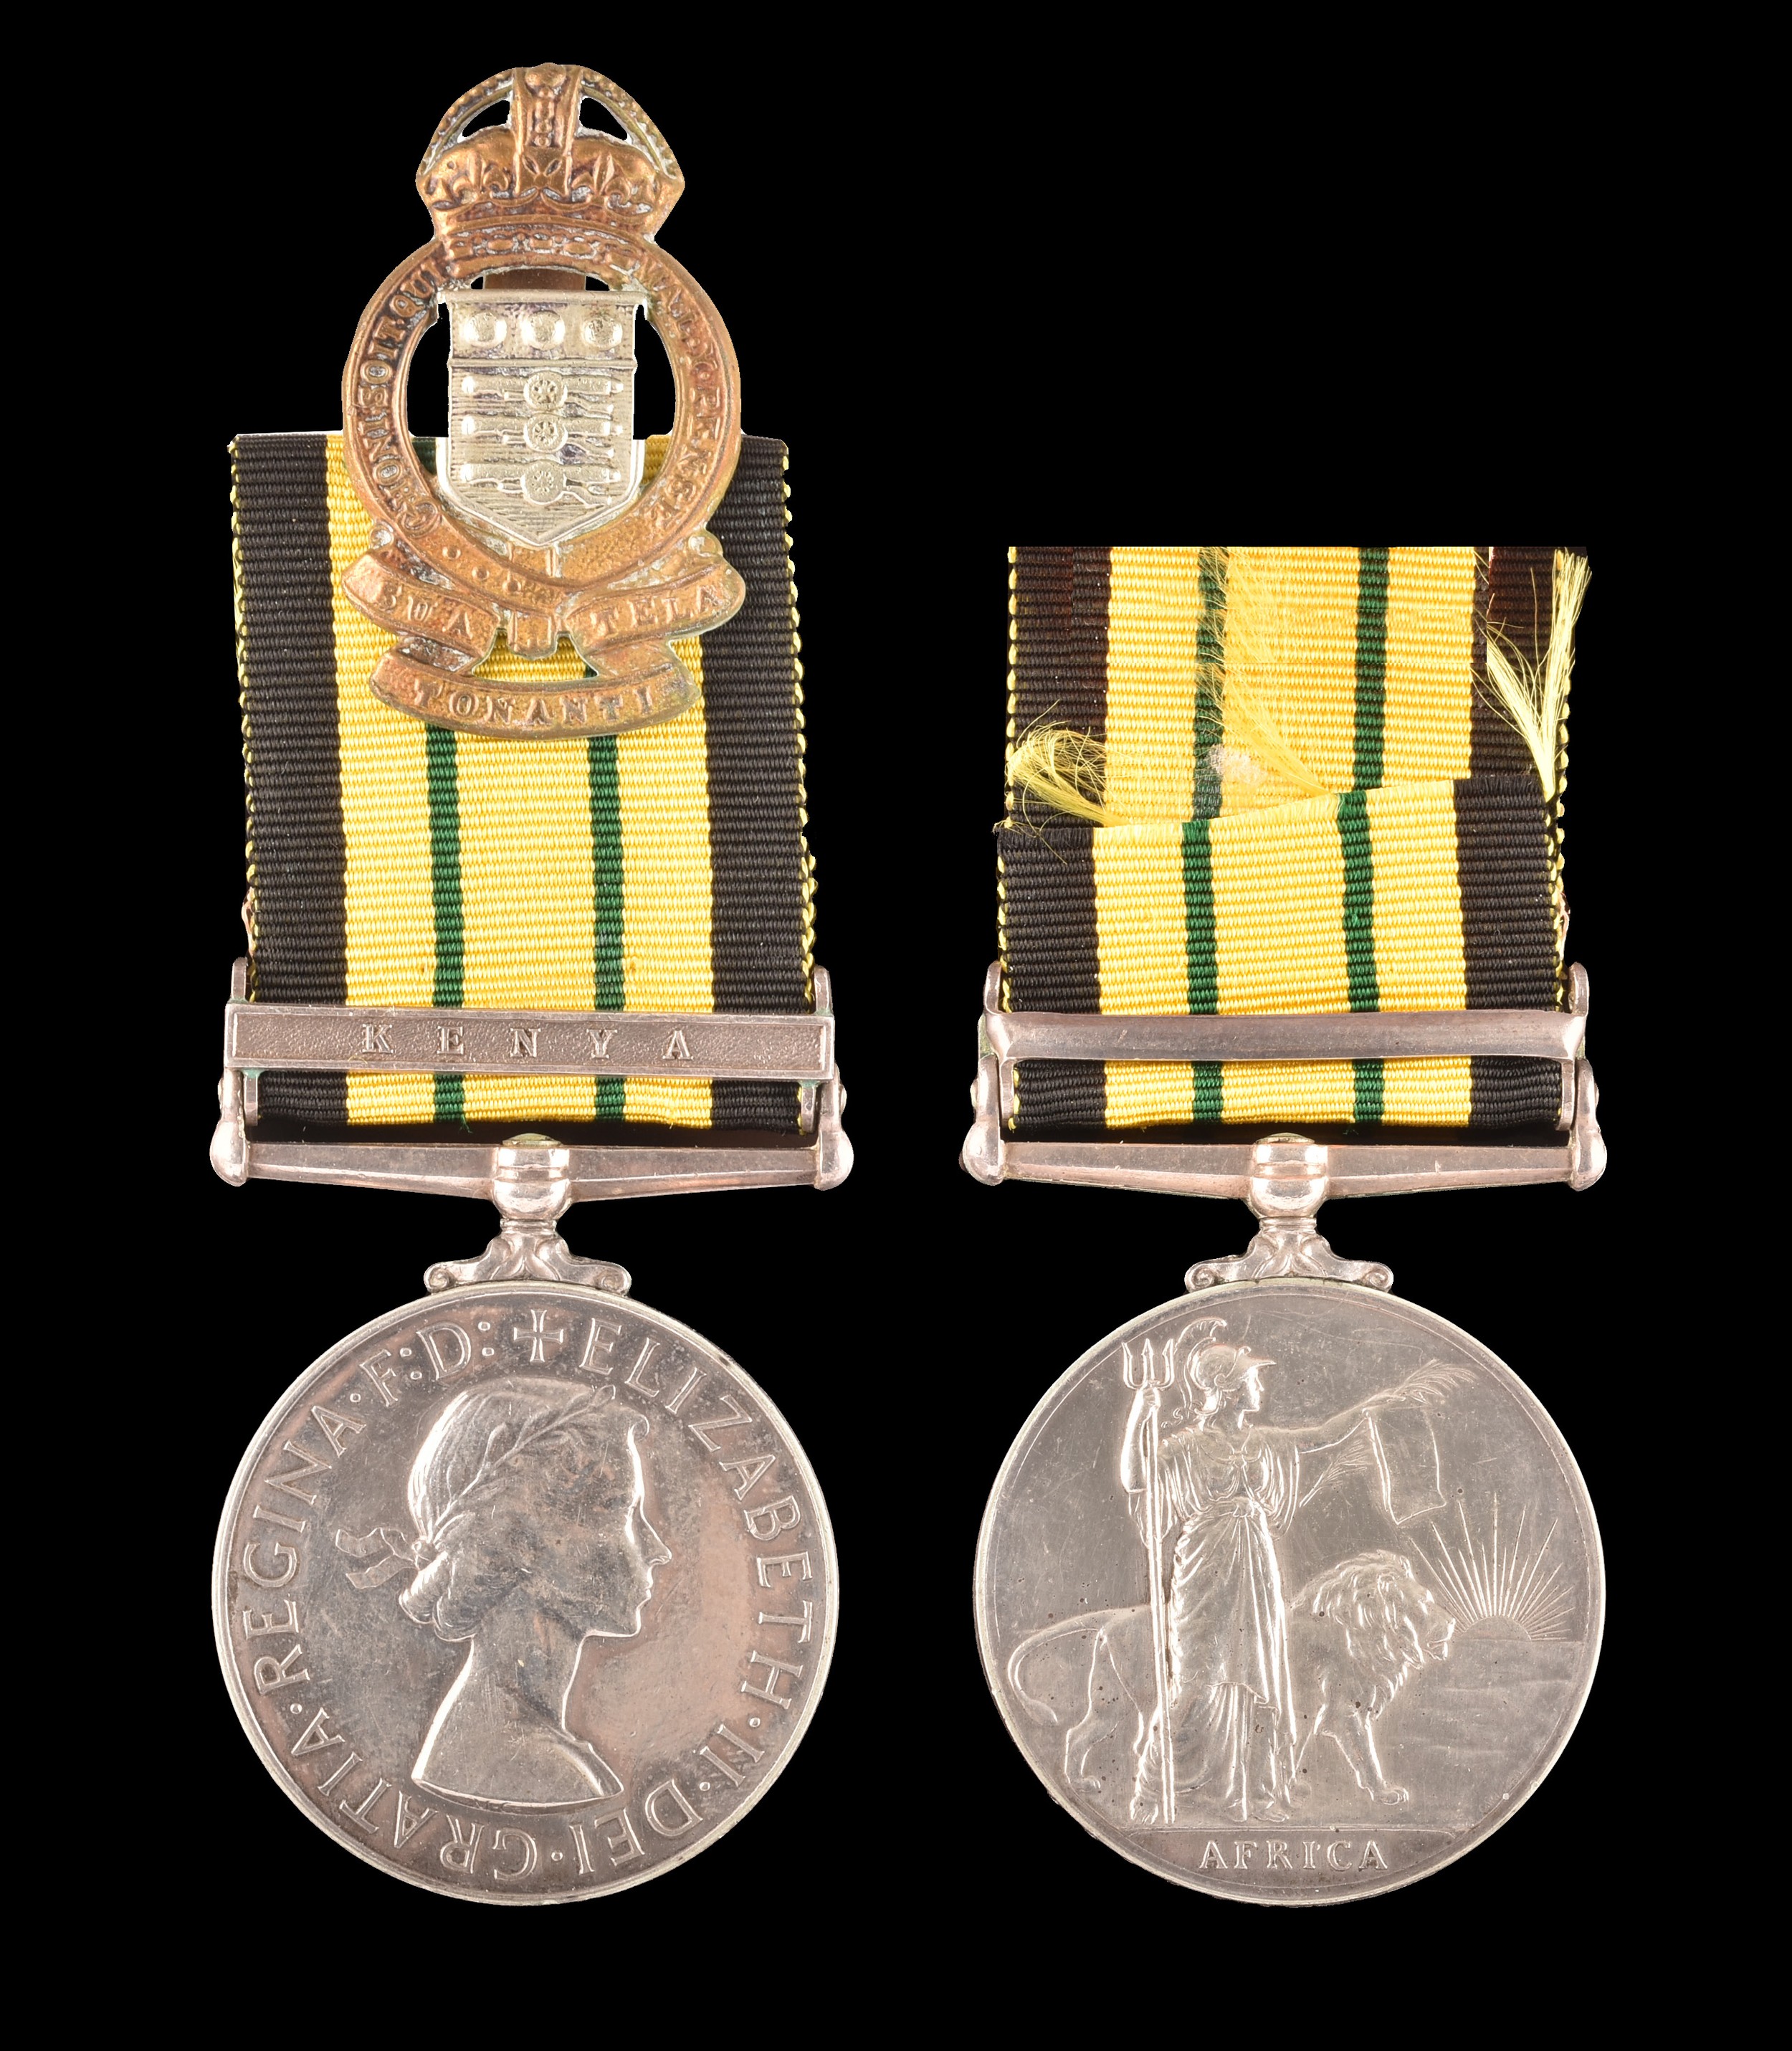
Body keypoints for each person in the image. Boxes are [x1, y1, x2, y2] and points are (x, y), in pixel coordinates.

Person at [1120, 1320, 1444, 1824]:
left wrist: (1369, 1408)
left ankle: (1255, 1792)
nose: (1260, 1386)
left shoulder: (1264, 1441)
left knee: (1260, 1676)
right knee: (1195, 1679)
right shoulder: (1186, 1445)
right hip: (1203, 1565)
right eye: (1252, 1378)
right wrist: (1143, 1406)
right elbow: (1136, 1476)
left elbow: (1320, 1437)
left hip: (1255, 1563)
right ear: (1228, 1388)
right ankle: (1151, 1789)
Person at [356, 1377, 670, 1809]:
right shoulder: (542, 1770)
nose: (658, 1549)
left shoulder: (529, 1743)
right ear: (518, 1540)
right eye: (619, 1508)